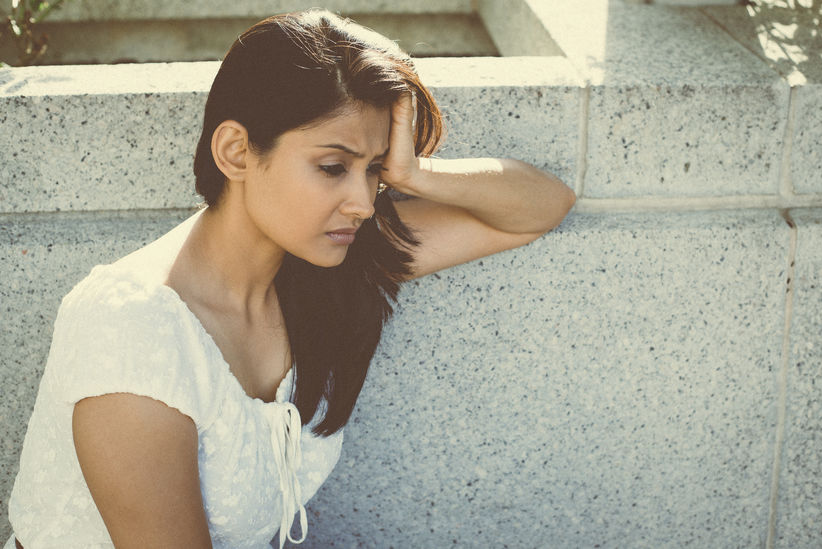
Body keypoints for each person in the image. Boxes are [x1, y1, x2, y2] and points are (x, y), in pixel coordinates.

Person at [6, 8, 575, 548]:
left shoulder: (320, 264)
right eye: (332, 167)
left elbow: (541, 207)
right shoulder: (131, 328)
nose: (364, 203)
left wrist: (414, 173)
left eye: (374, 171)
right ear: (236, 152)